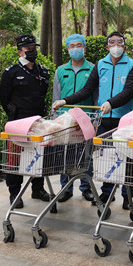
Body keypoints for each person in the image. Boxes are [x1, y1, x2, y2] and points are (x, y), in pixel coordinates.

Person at [53, 31, 133, 209]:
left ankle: (128, 195)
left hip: (124, 120)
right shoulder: (101, 65)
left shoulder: (132, 65)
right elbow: (87, 89)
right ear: (107, 47)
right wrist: (65, 100)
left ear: (124, 46)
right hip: (104, 121)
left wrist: (111, 103)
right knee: (107, 158)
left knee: (128, 158)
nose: (116, 46)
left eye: (119, 42)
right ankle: (107, 192)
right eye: (112, 42)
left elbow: (129, 91)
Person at [0, 34, 51, 208]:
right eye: (28, 49)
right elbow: (4, 98)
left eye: (34, 48)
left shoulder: (42, 71)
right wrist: (15, 114)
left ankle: (38, 189)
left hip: (38, 122)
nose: (32, 51)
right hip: (18, 123)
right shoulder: (11, 73)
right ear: (19, 51)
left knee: (38, 156)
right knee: (15, 159)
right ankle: (15, 193)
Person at [52, 34, 96, 203]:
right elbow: (56, 96)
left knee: (86, 155)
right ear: (67, 49)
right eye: (72, 46)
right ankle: (66, 188)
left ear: (84, 48)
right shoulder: (61, 70)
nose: (76, 49)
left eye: (79, 45)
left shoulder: (93, 69)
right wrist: (55, 120)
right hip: (65, 120)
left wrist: (95, 120)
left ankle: (86, 187)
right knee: (65, 155)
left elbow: (96, 96)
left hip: (86, 119)